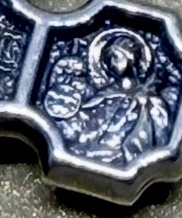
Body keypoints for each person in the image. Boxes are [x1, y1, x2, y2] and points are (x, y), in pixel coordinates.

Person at [46, 30, 169, 163]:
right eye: (109, 58)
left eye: (116, 57)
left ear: (131, 59)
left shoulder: (146, 97)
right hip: (96, 144)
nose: (111, 63)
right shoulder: (108, 89)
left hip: (121, 149)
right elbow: (92, 112)